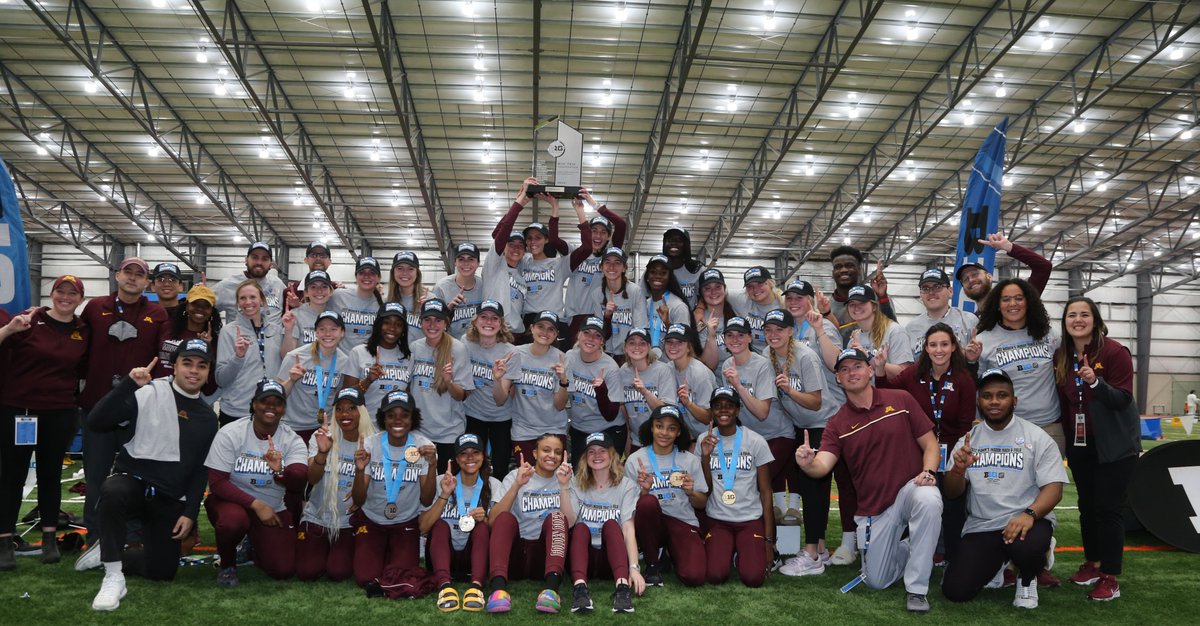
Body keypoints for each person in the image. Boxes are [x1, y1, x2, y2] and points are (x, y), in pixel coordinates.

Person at [795, 348, 943, 613]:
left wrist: (929, 472)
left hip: (910, 490)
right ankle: (912, 546)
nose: (852, 373)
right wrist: (807, 464)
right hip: (874, 509)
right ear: (838, 379)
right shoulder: (837, 423)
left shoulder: (901, 399)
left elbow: (931, 444)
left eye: (858, 366)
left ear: (870, 370)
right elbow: (822, 466)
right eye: (844, 369)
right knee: (877, 580)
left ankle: (917, 589)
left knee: (929, 498)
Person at [79, 340, 218, 611]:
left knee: (162, 572)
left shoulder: (207, 418)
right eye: (187, 363)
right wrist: (128, 384)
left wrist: (190, 512)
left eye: (201, 366)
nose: (194, 371)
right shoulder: (147, 392)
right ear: (174, 366)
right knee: (113, 490)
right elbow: (96, 421)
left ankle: (108, 550)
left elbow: (200, 470)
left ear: (208, 371)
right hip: (134, 483)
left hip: (167, 497)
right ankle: (113, 575)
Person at [941, 368, 1067, 609]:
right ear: (979, 401)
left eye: (1002, 395)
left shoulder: (1036, 437)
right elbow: (952, 492)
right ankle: (999, 565)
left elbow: (1054, 488)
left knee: (1027, 549)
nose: (995, 401)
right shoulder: (969, 440)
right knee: (956, 591)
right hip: (984, 524)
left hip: (1026, 520)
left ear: (1014, 400)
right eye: (987, 396)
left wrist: (1029, 514)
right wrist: (957, 470)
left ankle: (1028, 576)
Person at [77, 257, 169, 547]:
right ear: (118, 276)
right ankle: (95, 537)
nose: (132, 278)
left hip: (138, 409)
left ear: (147, 282)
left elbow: (163, 361)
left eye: (139, 274)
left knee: (137, 475)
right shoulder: (95, 307)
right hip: (97, 406)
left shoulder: (157, 313)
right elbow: (78, 350)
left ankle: (131, 536)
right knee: (96, 475)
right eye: (128, 272)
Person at [1054, 297, 1141, 601]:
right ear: (1065, 322)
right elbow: (1065, 403)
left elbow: (1123, 399)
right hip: (1081, 444)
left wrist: (1095, 382)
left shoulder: (1115, 352)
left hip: (1115, 445)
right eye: (1071, 315)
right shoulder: (1062, 355)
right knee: (1087, 507)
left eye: (1084, 314)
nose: (1077, 320)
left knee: (1107, 509)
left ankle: (1110, 576)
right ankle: (1093, 562)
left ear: (1095, 319)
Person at [0, 275, 89, 568]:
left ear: (80, 298)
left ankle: (50, 539)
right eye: (60, 291)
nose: (66, 297)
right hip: (20, 410)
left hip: (60, 411)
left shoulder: (81, 330)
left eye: (72, 293)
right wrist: (8, 330)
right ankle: (5, 541)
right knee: (12, 476)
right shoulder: (27, 320)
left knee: (50, 475)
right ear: (52, 294)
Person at [876, 323, 977, 562]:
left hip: (952, 452)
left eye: (944, 344)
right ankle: (905, 556)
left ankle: (953, 559)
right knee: (917, 503)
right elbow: (886, 396)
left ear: (954, 347)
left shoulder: (964, 380)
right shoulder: (913, 374)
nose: (939, 350)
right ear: (926, 348)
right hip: (919, 451)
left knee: (953, 507)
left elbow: (965, 425)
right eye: (933, 345)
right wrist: (879, 371)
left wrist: (957, 459)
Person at [204, 380, 307, 586]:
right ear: (253, 404)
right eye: (264, 401)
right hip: (233, 503)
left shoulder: (291, 439)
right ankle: (228, 564)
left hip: (273, 507)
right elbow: (217, 483)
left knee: (282, 569)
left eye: (277, 403)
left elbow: (298, 480)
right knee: (233, 521)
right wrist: (257, 505)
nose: (270, 406)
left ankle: (253, 545)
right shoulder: (230, 433)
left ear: (284, 409)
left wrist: (280, 470)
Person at [350, 389, 437, 587]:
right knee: (366, 578)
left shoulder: (424, 446)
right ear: (383, 418)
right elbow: (359, 499)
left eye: (404, 416)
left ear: (412, 419)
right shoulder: (371, 445)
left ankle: (391, 551)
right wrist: (359, 470)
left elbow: (426, 499)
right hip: (372, 520)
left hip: (405, 521)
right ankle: (380, 549)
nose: (398, 421)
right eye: (391, 416)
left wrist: (432, 465)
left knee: (401, 577)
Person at [965, 278, 1063, 453]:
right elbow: (973, 387)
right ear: (997, 304)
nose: (1013, 304)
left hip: (1049, 426)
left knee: (1051, 480)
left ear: (1028, 302)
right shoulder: (983, 340)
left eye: (1019, 298)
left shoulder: (1048, 334)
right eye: (1006, 299)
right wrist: (971, 360)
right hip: (1005, 427)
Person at [762, 309, 827, 566]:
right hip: (799, 426)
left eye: (780, 329)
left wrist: (789, 389)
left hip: (821, 424)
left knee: (814, 488)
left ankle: (813, 551)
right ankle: (819, 547)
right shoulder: (766, 357)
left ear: (791, 331)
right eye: (769, 329)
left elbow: (816, 402)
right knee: (810, 486)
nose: (774, 334)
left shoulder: (806, 356)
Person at [295, 387, 377, 582]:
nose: (345, 414)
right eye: (339, 409)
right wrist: (322, 453)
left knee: (338, 571)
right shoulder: (323, 435)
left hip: (348, 521)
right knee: (307, 572)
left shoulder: (374, 441)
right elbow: (312, 480)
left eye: (351, 408)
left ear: (362, 412)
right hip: (317, 516)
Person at [486, 433, 573, 614]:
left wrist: (564, 486)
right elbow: (492, 521)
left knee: (557, 517)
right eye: (546, 450)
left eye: (557, 452)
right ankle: (498, 590)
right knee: (504, 517)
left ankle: (551, 590)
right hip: (516, 555)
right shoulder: (515, 475)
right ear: (534, 453)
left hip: (545, 558)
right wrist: (517, 485)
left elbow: (569, 523)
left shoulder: (568, 477)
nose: (552, 456)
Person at [699, 386, 774, 588]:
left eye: (729, 406)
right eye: (718, 406)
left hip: (749, 520)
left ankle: (743, 553)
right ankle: (730, 551)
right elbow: (704, 488)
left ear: (738, 410)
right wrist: (705, 457)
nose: (724, 410)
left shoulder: (755, 441)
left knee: (753, 579)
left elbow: (766, 492)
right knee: (715, 575)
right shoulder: (704, 440)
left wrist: (769, 541)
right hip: (718, 520)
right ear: (712, 411)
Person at [624, 405, 708, 587]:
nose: (664, 432)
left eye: (672, 428)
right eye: (659, 426)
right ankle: (653, 564)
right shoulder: (635, 460)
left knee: (694, 577)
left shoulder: (690, 460)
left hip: (682, 521)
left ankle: (667, 552)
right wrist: (644, 491)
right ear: (651, 427)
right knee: (647, 502)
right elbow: (628, 508)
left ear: (678, 433)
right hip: (651, 523)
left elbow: (702, 504)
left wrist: (691, 491)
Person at [419, 432, 502, 613]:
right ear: (456, 458)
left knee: (481, 527)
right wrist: (445, 494)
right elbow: (423, 527)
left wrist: (486, 520)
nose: (470, 458)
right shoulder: (441, 481)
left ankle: (477, 586)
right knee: (440, 525)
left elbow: (500, 534)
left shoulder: (494, 485)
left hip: (474, 558)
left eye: (475, 452)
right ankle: (444, 586)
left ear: (483, 456)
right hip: (442, 556)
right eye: (464, 453)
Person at [566, 431, 645, 613]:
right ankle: (580, 589)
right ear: (585, 458)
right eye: (591, 452)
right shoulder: (575, 483)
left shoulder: (626, 485)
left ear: (612, 454)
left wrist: (634, 568)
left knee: (611, 524)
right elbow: (569, 522)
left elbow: (628, 528)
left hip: (613, 560)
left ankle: (622, 588)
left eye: (602, 450)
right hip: (582, 559)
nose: (597, 456)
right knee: (580, 528)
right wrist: (564, 487)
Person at [495, 311, 570, 466]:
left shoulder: (562, 358)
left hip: (553, 429)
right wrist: (497, 379)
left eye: (551, 329)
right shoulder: (517, 354)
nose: (545, 332)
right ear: (532, 328)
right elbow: (500, 400)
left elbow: (560, 405)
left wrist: (563, 381)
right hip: (524, 430)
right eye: (541, 326)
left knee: (554, 481)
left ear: (556, 334)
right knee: (526, 479)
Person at [409, 298, 474, 472]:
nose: (432, 325)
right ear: (420, 322)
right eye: (427, 320)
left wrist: (448, 381)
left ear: (446, 322)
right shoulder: (414, 348)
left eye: (438, 320)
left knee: (446, 484)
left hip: (448, 433)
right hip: (419, 432)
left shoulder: (457, 349)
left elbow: (461, 395)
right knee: (419, 483)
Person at [214, 280, 284, 426]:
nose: (248, 302)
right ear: (238, 302)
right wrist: (238, 357)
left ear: (262, 300)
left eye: (252, 297)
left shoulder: (276, 331)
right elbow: (221, 379)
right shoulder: (229, 332)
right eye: (243, 298)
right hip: (237, 411)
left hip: (269, 410)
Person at [462, 300, 517, 478]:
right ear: (475, 321)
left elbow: (500, 400)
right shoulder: (465, 343)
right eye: (483, 317)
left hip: (501, 417)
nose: (488, 322)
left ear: (501, 324)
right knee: (472, 467)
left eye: (494, 318)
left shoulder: (510, 353)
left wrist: (497, 379)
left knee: (500, 468)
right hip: (473, 414)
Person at [278, 311, 352, 443]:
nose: (328, 334)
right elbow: (277, 396)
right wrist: (291, 380)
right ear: (316, 333)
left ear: (342, 333)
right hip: (293, 428)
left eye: (333, 329)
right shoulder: (295, 357)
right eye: (322, 329)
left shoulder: (345, 361)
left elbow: (339, 397)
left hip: (325, 427)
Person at [564, 190, 626, 343]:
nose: (598, 236)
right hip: (575, 318)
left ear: (608, 237)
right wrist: (581, 212)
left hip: (600, 317)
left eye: (603, 232)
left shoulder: (609, 258)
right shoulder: (576, 254)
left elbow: (621, 224)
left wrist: (594, 204)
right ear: (588, 233)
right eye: (594, 231)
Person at [562, 316, 622, 464]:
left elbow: (611, 415)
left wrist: (601, 391)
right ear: (579, 335)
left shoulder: (610, 368)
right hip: (579, 429)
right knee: (580, 479)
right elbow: (565, 396)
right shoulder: (570, 356)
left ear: (602, 341)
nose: (591, 338)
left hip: (607, 430)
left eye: (597, 336)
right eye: (586, 333)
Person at [483, 178, 535, 337]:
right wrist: (519, 202)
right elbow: (502, 231)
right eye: (511, 244)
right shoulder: (495, 265)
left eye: (520, 245)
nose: (516, 248)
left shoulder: (522, 271)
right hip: (494, 330)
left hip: (515, 334)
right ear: (504, 247)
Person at [613, 328, 677, 452]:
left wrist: (645, 392)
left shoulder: (662, 370)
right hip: (636, 440)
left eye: (642, 343)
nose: (637, 347)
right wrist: (629, 439)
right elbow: (623, 409)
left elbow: (667, 412)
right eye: (632, 342)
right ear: (625, 347)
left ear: (649, 347)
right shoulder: (623, 371)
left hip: (662, 440)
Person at [342, 302, 412, 415]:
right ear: (378, 324)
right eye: (387, 322)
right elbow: (345, 398)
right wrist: (367, 381)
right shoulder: (358, 352)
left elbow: (407, 399)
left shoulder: (408, 357)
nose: (392, 328)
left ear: (404, 330)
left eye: (398, 324)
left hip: (394, 428)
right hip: (365, 428)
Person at [152, 284, 221, 393]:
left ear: (212, 311)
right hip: (158, 392)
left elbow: (209, 388)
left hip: (187, 398)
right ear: (187, 306)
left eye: (206, 306)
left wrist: (208, 348)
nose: (200, 309)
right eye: (195, 304)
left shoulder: (214, 341)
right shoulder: (166, 327)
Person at [519, 200, 571, 339]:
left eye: (538, 238)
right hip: (529, 320)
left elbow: (561, 243)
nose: (533, 242)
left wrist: (555, 207)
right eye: (529, 238)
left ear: (547, 240)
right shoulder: (522, 262)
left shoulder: (559, 264)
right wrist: (520, 202)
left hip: (555, 319)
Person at [956, 233, 1053, 305]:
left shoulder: (1017, 305)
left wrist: (1009, 247)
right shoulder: (974, 322)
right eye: (965, 279)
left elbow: (1043, 267)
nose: (971, 280)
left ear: (989, 276)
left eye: (975, 274)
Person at [842, 284, 913, 380]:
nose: (856, 307)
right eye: (852, 304)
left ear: (874, 306)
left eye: (862, 303)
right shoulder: (853, 341)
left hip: (889, 394)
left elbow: (905, 374)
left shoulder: (894, 331)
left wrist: (868, 357)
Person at [905, 268, 977, 359]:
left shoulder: (969, 321)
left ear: (950, 291)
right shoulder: (911, 328)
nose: (931, 292)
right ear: (921, 295)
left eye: (937, 287)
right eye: (925, 288)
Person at [663, 323, 716, 438]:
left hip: (707, 436)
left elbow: (709, 418)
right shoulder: (667, 368)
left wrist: (688, 404)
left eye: (679, 342)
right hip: (684, 435)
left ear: (688, 347)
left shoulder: (699, 373)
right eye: (669, 342)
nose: (673, 346)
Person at [213, 242, 285, 324]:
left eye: (265, 259)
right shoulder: (226, 286)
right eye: (255, 257)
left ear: (270, 264)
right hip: (240, 335)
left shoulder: (278, 285)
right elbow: (204, 308)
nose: (259, 263)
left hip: (272, 336)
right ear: (246, 260)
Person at [822, 246, 896, 325]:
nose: (844, 270)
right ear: (833, 273)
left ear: (859, 270)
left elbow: (893, 330)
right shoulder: (826, 307)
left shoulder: (877, 298)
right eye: (838, 267)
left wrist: (882, 297)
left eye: (849, 265)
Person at [598, 247, 647, 360]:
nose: (611, 267)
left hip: (629, 355)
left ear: (624, 268)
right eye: (607, 262)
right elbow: (600, 332)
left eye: (617, 263)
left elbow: (640, 328)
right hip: (605, 354)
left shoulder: (635, 291)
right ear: (601, 267)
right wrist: (607, 317)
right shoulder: (597, 294)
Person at [330, 256, 384, 350]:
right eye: (362, 272)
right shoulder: (338, 296)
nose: (366, 276)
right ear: (356, 276)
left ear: (378, 278)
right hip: (342, 360)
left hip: (369, 360)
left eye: (372, 273)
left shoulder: (384, 303)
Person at [433, 243, 485, 340]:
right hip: (450, 346)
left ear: (478, 263)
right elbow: (433, 324)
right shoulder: (441, 287)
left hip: (478, 346)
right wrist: (447, 311)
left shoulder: (485, 286)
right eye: (461, 259)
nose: (466, 263)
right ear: (455, 263)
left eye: (471, 259)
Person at [642, 254, 691, 356]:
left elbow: (685, 342)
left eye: (663, 273)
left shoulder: (678, 306)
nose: (657, 276)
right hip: (647, 365)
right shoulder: (644, 305)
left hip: (671, 367)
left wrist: (668, 323)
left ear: (669, 278)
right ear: (647, 277)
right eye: (653, 272)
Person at [730, 266, 784, 353]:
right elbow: (715, 293)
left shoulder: (785, 303)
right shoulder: (742, 299)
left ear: (770, 283)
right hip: (756, 361)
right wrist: (700, 310)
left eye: (760, 283)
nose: (755, 289)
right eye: (750, 286)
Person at [280, 269, 334, 356]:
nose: (319, 291)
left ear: (331, 291)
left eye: (324, 287)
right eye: (313, 287)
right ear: (306, 292)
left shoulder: (336, 315)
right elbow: (286, 355)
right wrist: (288, 330)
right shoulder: (295, 315)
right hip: (303, 368)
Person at [693, 268, 737, 369]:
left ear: (724, 289)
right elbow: (707, 366)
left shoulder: (736, 307)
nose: (713, 292)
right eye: (707, 288)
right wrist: (711, 337)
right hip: (711, 379)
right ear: (701, 293)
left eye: (718, 287)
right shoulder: (699, 320)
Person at [283, 241, 342, 311]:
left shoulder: (337, 290)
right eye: (313, 255)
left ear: (330, 261)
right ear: (306, 260)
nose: (318, 259)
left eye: (323, 255)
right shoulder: (291, 292)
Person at [384, 251, 426, 345]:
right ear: (393, 272)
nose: (405, 273)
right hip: (394, 356)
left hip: (420, 357)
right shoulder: (386, 302)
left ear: (417, 273)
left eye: (410, 269)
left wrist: (428, 314)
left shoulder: (429, 300)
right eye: (400, 268)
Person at [662, 227, 705, 307]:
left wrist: (700, 309)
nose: (673, 243)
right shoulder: (656, 268)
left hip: (688, 317)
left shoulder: (697, 269)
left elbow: (705, 294)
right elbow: (644, 295)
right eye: (670, 240)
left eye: (678, 240)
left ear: (686, 244)